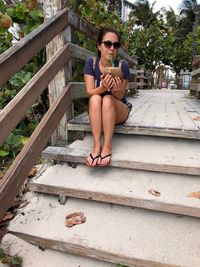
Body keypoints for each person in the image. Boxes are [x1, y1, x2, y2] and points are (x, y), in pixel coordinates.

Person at [84, 27, 131, 167]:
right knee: (96, 98)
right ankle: (97, 145)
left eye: (116, 45)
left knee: (108, 98)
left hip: (118, 109)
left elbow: (121, 95)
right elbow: (90, 91)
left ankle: (107, 146)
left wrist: (115, 89)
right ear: (99, 46)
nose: (112, 48)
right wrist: (104, 87)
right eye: (107, 44)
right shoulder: (91, 64)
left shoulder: (122, 66)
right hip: (98, 107)